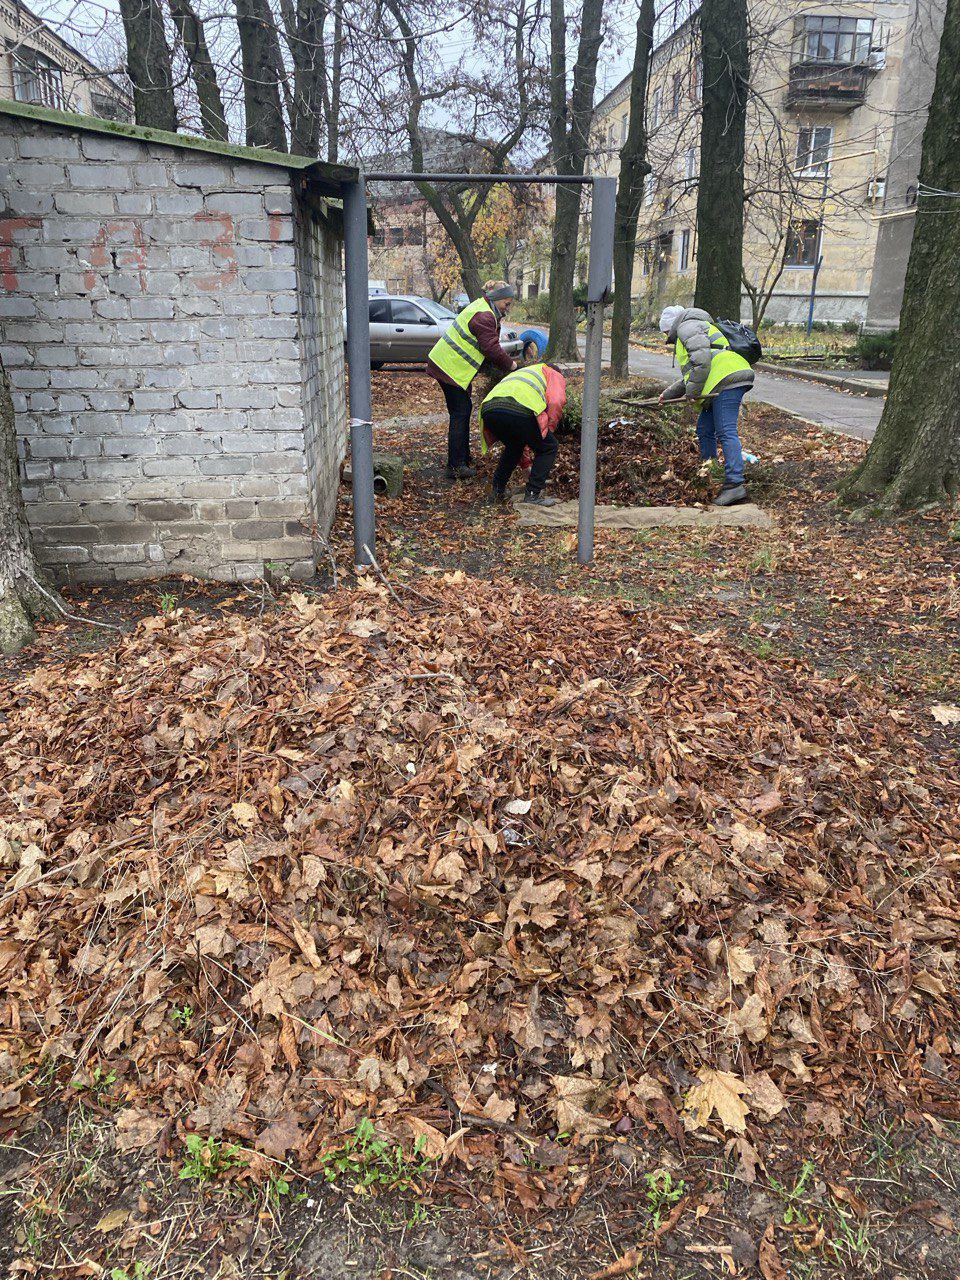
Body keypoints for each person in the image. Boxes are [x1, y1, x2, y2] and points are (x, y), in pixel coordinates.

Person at [657, 305, 755, 506]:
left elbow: (702, 364)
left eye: (666, 332)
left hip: (726, 379)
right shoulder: (696, 326)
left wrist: (692, 394)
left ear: (671, 325)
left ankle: (735, 484)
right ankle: (709, 471)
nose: (667, 336)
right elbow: (693, 374)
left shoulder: (687, 327)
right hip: (722, 380)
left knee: (726, 431)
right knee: (704, 428)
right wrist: (667, 395)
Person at [427, 280, 518, 480]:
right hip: (449, 368)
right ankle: (456, 466)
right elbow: (491, 348)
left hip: (453, 368)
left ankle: (462, 458)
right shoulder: (484, 316)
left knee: (462, 411)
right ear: (496, 299)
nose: (508, 308)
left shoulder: (486, 310)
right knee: (460, 413)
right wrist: (512, 366)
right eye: (506, 303)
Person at [479, 361, 566, 506]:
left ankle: (497, 490)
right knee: (548, 446)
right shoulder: (553, 373)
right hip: (520, 408)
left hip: (489, 409)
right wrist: (547, 430)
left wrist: (526, 465)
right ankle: (533, 494)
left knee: (514, 445)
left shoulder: (526, 372)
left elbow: (522, 437)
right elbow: (556, 402)